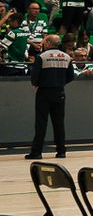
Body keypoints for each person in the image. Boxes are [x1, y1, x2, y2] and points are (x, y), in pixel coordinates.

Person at [26, 31, 74, 159]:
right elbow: (71, 76)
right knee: (59, 123)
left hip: (44, 92)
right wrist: (60, 83)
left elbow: (34, 76)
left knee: (41, 123)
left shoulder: (41, 57)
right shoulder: (66, 57)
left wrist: (36, 84)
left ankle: (36, 152)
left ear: (48, 43)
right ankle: (61, 151)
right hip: (59, 92)